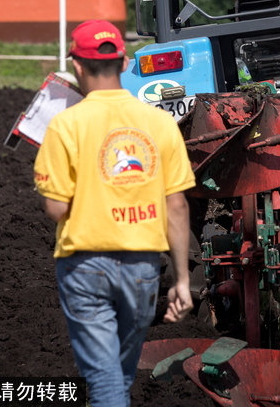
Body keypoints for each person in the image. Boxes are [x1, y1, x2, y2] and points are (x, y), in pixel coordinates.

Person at [33, 20, 195, 407]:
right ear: (124, 63)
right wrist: (183, 280)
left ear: (76, 65)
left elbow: (57, 208)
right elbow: (176, 205)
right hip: (142, 269)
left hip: (84, 268)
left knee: (106, 383)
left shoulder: (64, 125)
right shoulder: (159, 123)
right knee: (117, 378)